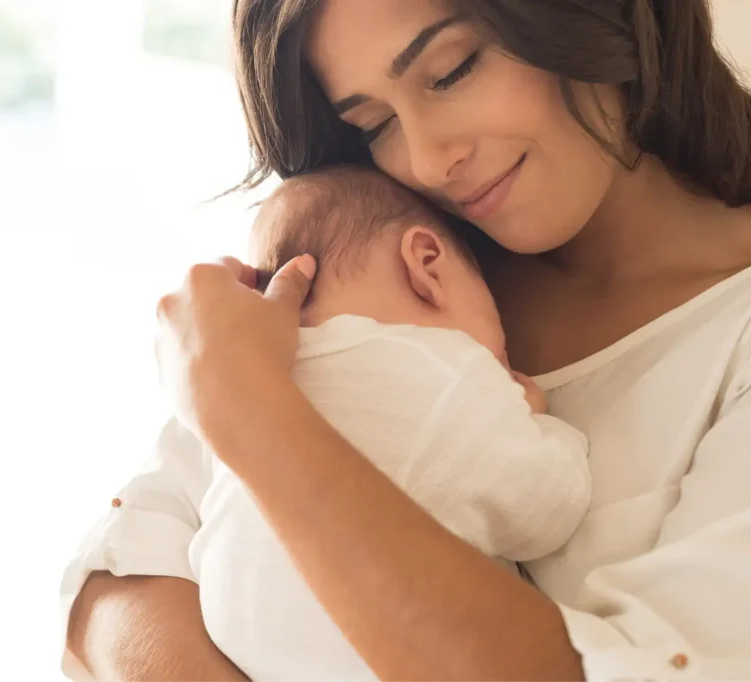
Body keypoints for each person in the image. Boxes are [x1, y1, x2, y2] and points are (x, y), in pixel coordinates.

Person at [64, 0, 751, 679]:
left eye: (451, 71)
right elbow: (115, 586)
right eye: (375, 122)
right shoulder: (389, 274)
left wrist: (249, 413)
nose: (427, 161)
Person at [189, 166, 591, 680]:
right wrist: (538, 421)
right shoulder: (444, 371)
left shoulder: (252, 377)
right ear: (427, 264)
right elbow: (548, 511)